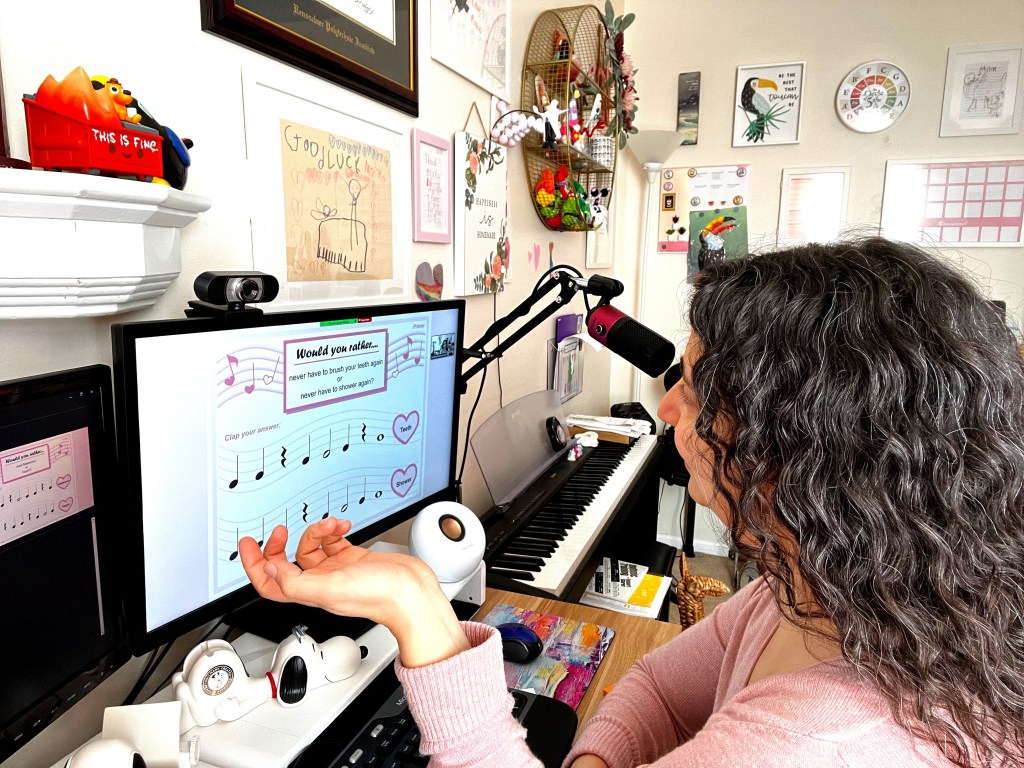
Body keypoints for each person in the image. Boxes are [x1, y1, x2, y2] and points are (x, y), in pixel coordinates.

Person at [240, 238, 1024, 767]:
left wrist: (416, 606)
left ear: (800, 447)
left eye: (693, 386)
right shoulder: (822, 590)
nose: (669, 408)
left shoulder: (810, 745)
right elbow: (655, 685)